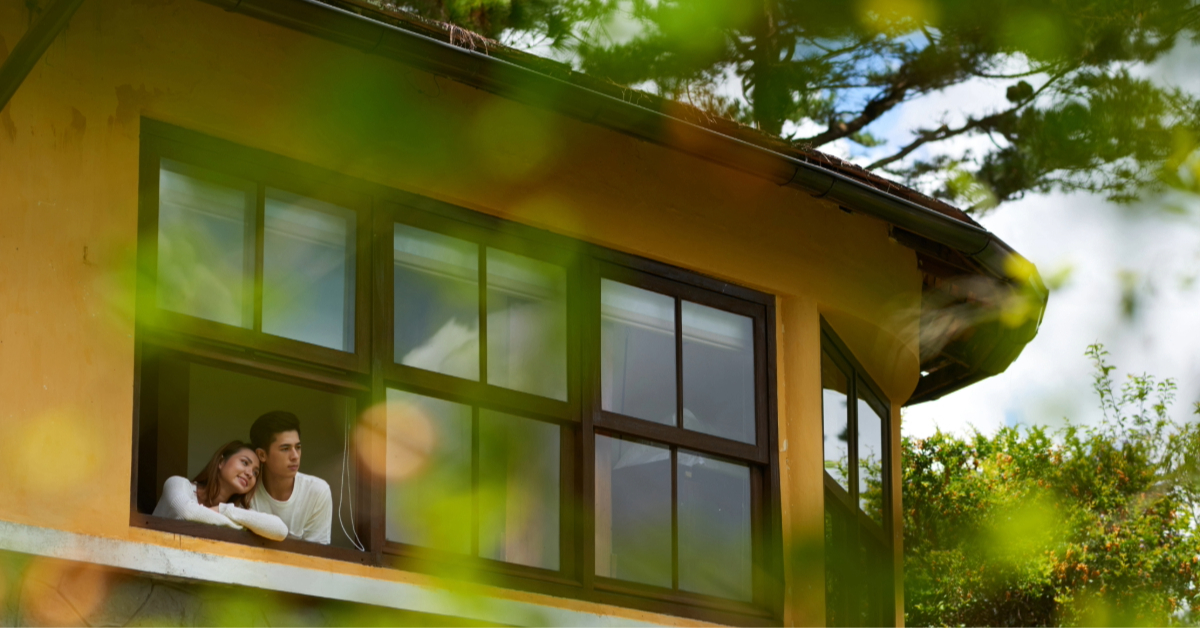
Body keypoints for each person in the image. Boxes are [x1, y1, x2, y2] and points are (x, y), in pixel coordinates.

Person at [152, 440, 288, 541]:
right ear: (221, 462)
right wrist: (241, 526)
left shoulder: (235, 511)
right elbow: (188, 513)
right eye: (245, 463)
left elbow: (280, 530)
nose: (249, 474)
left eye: (255, 473)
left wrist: (223, 510)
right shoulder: (178, 483)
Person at [249, 411, 333, 545]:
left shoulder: (317, 492)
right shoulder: (247, 488)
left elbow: (316, 557)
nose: (295, 456)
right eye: (285, 449)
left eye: (298, 447)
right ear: (262, 455)